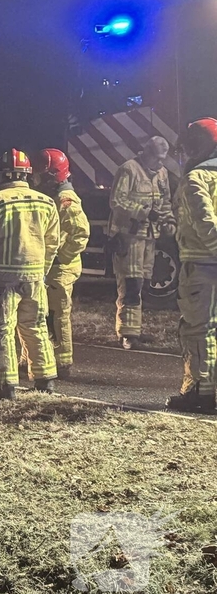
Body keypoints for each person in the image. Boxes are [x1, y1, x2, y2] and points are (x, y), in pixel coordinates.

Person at [0, 149, 60, 400]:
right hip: (35, 277)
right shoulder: (47, 202)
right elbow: (53, 243)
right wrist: (43, 270)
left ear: (2, 174)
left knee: (2, 330)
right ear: (27, 174)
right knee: (36, 326)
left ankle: (5, 387)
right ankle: (45, 379)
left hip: (2, 280)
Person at [167, 118, 217, 414]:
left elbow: (205, 222)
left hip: (202, 267)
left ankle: (201, 394)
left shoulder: (196, 178)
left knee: (199, 330)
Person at [107, 136, 176, 349]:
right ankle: (127, 334)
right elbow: (117, 201)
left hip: (149, 237)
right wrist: (144, 212)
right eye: (157, 158)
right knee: (131, 284)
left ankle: (134, 329)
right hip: (129, 237)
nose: (160, 162)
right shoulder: (129, 169)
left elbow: (165, 202)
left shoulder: (162, 173)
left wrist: (169, 222)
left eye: (162, 159)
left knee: (143, 284)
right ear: (147, 153)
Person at [30, 149, 91, 379]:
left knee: (57, 315)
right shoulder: (55, 197)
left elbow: (81, 233)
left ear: (51, 176)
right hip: (53, 267)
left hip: (61, 269)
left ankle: (62, 362)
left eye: (40, 174)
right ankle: (49, 359)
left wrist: (61, 257)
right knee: (46, 313)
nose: (35, 178)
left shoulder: (66, 200)